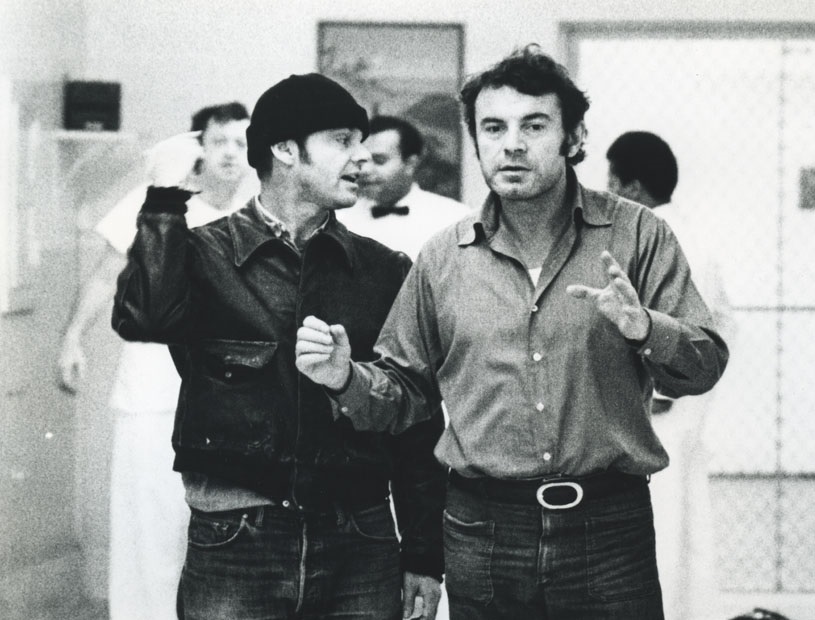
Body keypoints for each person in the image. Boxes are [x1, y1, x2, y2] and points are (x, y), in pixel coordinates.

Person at [296, 46, 729, 620]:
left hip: (608, 528)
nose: (513, 144)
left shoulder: (638, 236)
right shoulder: (443, 259)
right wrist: (345, 379)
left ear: (574, 137)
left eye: (535, 125)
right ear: (477, 141)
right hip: (483, 531)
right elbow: (405, 393)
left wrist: (646, 328)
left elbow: (704, 365)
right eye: (494, 127)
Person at [110, 74, 445, 620]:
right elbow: (142, 317)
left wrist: (425, 555)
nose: (361, 156)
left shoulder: (384, 269)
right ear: (286, 150)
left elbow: (417, 416)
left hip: (360, 540)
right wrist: (165, 200)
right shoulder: (202, 254)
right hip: (236, 538)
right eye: (342, 140)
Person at [57, 101, 256, 620]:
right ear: (198, 147)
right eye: (219, 141)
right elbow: (106, 276)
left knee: (218, 537)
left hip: (230, 404)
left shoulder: (258, 215)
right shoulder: (153, 203)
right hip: (151, 397)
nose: (230, 153)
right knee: (148, 531)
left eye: (241, 142)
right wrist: (72, 337)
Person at [607, 130, 735, 620]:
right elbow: (724, 323)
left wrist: (663, 388)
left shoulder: (653, 239)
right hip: (685, 404)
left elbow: (679, 324)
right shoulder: (696, 235)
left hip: (658, 406)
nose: (608, 192)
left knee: (658, 523)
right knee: (687, 521)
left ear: (633, 186)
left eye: (612, 180)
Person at [337, 115, 471, 259]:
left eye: (379, 160)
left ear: (410, 164)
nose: (365, 171)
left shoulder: (454, 219)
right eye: (361, 161)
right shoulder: (339, 219)